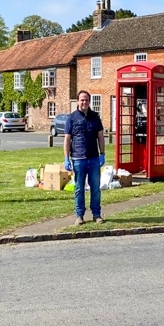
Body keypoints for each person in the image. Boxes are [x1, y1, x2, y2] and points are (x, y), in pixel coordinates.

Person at [64, 90, 106, 225]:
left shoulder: (95, 117)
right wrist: (66, 158)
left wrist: (102, 154)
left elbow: (100, 136)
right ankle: (79, 215)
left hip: (93, 158)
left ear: (89, 102)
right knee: (79, 188)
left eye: (86, 100)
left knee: (95, 188)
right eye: (82, 100)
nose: (84, 102)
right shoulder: (71, 118)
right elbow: (67, 139)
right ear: (77, 101)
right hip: (78, 158)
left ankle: (96, 214)